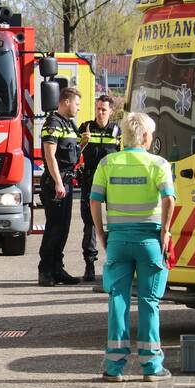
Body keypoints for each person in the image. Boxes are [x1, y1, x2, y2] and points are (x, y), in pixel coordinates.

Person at [90, 112, 176, 382]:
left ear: (124, 138)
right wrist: (165, 231)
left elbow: (94, 200)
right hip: (150, 241)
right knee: (150, 302)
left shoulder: (107, 163)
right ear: (147, 137)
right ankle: (152, 367)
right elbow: (169, 199)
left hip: (117, 240)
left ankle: (114, 367)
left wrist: (101, 232)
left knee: (118, 300)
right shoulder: (158, 163)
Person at [38, 86, 83, 286]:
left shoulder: (69, 124)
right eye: (77, 103)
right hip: (56, 182)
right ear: (66, 102)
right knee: (54, 228)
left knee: (63, 229)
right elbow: (50, 155)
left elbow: (71, 154)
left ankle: (58, 268)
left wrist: (85, 143)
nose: (78, 108)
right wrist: (57, 182)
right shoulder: (53, 123)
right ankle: (45, 270)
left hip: (66, 181)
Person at [77, 95, 122, 282]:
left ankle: (115, 262)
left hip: (112, 182)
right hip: (90, 179)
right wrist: (82, 143)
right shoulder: (86, 128)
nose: (100, 112)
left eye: (104, 109)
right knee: (90, 223)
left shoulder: (118, 130)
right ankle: (89, 264)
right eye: (98, 109)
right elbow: (73, 153)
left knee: (115, 222)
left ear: (111, 111)